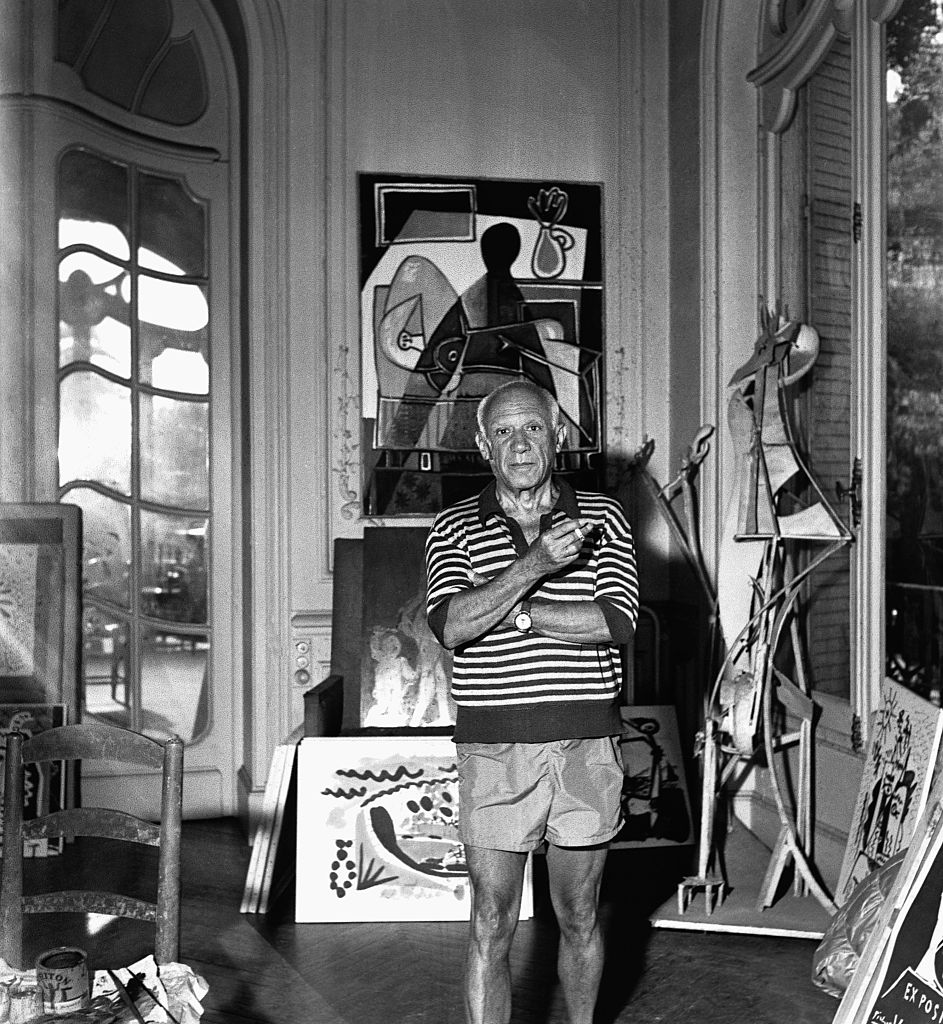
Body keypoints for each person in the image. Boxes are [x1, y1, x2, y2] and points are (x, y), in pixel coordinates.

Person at [424, 379, 639, 1024]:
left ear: (559, 436)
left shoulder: (605, 517)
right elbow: (453, 625)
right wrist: (536, 564)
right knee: (490, 920)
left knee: (578, 913)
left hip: (585, 744)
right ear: (485, 446)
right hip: (495, 747)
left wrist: (512, 610)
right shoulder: (454, 526)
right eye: (506, 433)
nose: (521, 445)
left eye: (534, 429)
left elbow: (615, 621)